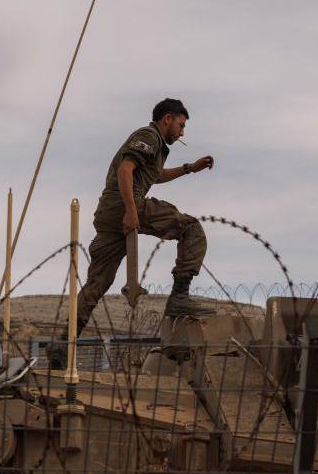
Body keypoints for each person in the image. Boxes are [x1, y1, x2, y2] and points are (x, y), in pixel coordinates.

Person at [75, 98, 216, 337]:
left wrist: (189, 168)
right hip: (125, 204)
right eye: (181, 125)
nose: (182, 133)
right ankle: (179, 296)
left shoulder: (156, 146)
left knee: (97, 283)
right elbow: (125, 170)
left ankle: (64, 341)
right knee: (191, 228)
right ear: (167, 119)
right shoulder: (150, 136)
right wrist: (131, 211)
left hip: (108, 212)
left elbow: (155, 175)